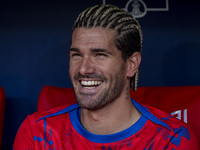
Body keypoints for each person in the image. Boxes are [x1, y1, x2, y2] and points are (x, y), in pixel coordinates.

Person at [13, 4, 199, 150]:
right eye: (76, 55)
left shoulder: (173, 139)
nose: (84, 69)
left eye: (100, 55)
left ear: (131, 65)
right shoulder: (38, 132)